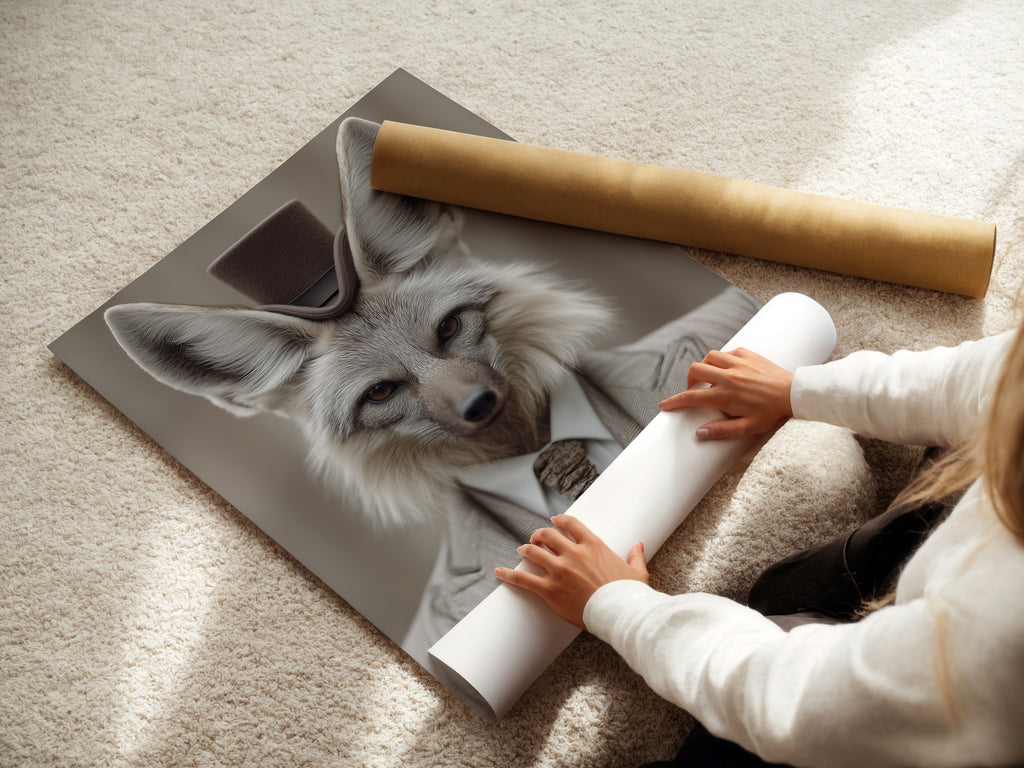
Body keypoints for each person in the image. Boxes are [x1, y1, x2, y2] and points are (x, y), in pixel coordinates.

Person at [495, 323, 1024, 767]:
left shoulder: (998, 638)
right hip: (958, 596)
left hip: (953, 718)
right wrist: (797, 389)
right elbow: (983, 378)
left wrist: (618, 605)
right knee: (787, 590)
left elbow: (795, 701)